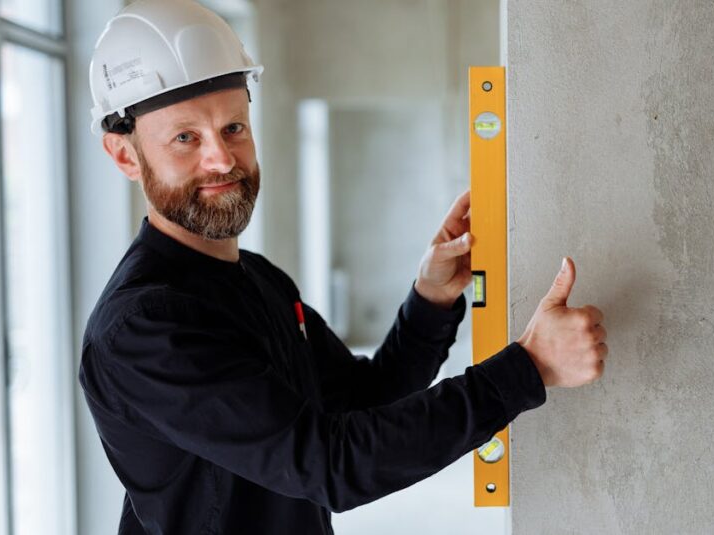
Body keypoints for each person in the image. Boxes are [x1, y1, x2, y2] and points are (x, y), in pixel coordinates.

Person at [79, 1, 608, 533]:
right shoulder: (143, 327)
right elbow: (330, 464)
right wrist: (526, 369)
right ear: (126, 156)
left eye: (233, 127)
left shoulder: (257, 278)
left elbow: (363, 398)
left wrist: (430, 300)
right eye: (185, 138)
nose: (221, 159)